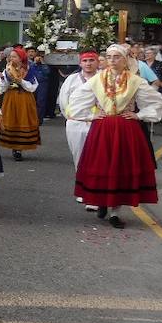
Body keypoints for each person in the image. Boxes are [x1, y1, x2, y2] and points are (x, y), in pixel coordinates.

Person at [72, 44, 162, 229]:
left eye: (116, 57)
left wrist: (139, 115)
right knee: (102, 166)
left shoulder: (135, 81)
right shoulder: (98, 79)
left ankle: (115, 211)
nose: (112, 60)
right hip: (103, 128)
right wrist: (90, 116)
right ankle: (102, 202)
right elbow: (76, 101)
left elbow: (156, 101)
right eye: (109, 56)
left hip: (125, 129)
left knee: (120, 168)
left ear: (125, 60)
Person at [58, 51, 101, 210]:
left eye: (92, 60)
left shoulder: (103, 78)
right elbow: (64, 101)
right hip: (76, 124)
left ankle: (94, 193)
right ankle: (83, 189)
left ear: (97, 62)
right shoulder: (72, 79)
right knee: (79, 157)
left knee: (96, 158)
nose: (88, 63)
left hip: (98, 123)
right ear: (80, 63)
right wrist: (70, 117)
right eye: (85, 61)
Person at [0, 47, 40, 161]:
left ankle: (19, 148)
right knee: (11, 120)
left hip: (25, 99)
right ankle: (14, 147)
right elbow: (3, 88)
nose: (11, 58)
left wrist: (21, 82)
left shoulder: (29, 69)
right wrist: (3, 79)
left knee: (22, 119)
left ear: (21, 58)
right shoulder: (8, 69)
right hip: (11, 98)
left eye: (14, 56)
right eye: (10, 56)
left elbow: (33, 86)